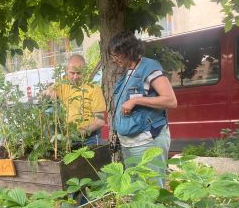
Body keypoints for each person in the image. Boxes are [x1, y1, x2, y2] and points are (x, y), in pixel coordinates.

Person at [109, 30, 177, 187]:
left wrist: (137, 100)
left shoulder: (149, 67)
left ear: (127, 51)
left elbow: (171, 100)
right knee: (135, 190)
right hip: (129, 144)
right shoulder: (129, 72)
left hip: (147, 142)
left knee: (150, 190)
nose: (113, 60)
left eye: (116, 55)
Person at [47, 54, 106, 146]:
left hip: (91, 139)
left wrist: (81, 132)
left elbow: (100, 121)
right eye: (72, 73)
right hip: (69, 138)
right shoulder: (63, 84)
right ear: (66, 71)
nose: (75, 77)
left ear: (85, 71)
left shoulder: (94, 89)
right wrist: (50, 91)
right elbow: (43, 94)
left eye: (79, 73)